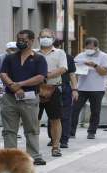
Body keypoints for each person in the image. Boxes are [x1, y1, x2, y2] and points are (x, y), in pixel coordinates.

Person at [0, 29, 47, 165]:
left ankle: (34, 156)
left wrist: (20, 84)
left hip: (30, 98)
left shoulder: (39, 58)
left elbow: (40, 77)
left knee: (31, 128)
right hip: (10, 97)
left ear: (31, 41)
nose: (20, 42)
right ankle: (10, 156)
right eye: (18, 40)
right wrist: (12, 86)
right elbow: (3, 73)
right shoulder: (9, 57)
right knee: (9, 129)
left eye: (24, 40)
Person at [35, 29, 68, 157]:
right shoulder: (33, 53)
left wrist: (45, 76)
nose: (45, 39)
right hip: (35, 89)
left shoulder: (60, 52)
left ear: (53, 39)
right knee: (34, 120)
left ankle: (55, 146)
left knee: (55, 119)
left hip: (53, 88)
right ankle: (34, 148)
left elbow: (63, 68)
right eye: (42, 36)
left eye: (48, 37)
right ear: (38, 39)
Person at [70, 37, 107, 139]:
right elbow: (73, 71)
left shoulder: (104, 56)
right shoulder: (80, 56)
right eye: (87, 47)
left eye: (91, 48)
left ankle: (92, 132)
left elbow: (104, 72)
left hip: (97, 88)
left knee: (95, 111)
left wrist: (95, 65)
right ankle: (71, 131)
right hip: (81, 88)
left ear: (96, 47)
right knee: (74, 109)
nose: (89, 50)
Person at [46, 39, 78, 148]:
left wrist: (74, 90)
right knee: (53, 115)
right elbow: (73, 75)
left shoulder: (67, 57)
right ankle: (55, 138)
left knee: (64, 114)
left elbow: (72, 74)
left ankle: (63, 139)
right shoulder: (42, 56)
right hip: (49, 87)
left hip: (63, 87)